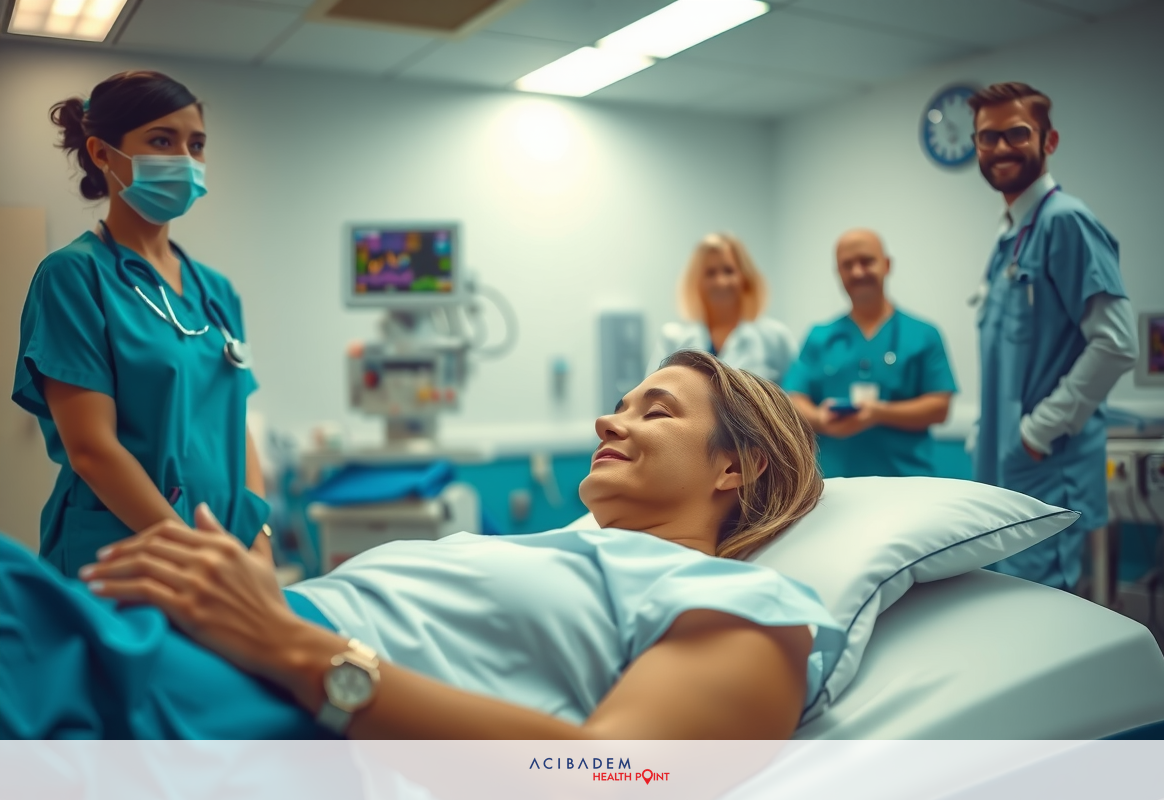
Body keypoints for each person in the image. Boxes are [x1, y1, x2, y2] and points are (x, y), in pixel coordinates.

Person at [0, 350, 845, 740]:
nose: (607, 420)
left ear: (737, 465)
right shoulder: (557, 551)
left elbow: (617, 779)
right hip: (174, 646)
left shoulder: (748, 604)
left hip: (240, 711)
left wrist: (290, 643)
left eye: (653, 410)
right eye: (620, 403)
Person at [10, 70, 271, 578]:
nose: (185, 159)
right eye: (161, 140)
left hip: (228, 549)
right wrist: (201, 560)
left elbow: (236, 424)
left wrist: (258, 541)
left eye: (195, 144)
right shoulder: (73, 276)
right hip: (129, 554)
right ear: (103, 153)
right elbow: (91, 450)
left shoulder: (215, 291)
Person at [969, 82, 1137, 590]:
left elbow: (1115, 343)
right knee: (1007, 607)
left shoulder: (1066, 223)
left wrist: (1036, 434)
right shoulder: (1011, 236)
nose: (1000, 148)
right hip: (1008, 470)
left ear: (1049, 140)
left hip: (1042, 469)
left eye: (1016, 133)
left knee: (1036, 620)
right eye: (987, 137)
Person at [783, 229, 957, 477]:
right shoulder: (818, 337)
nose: (857, 272)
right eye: (847, 265)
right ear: (838, 273)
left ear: (887, 265)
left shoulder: (924, 334)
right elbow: (794, 399)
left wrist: (878, 413)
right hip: (833, 484)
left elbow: (939, 407)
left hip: (908, 482)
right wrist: (821, 419)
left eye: (866, 261)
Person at [647, 233, 796, 383]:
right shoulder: (672, 339)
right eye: (710, 273)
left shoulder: (775, 338)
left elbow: (797, 395)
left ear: (745, 278)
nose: (721, 282)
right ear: (696, 281)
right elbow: (649, 397)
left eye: (728, 271)